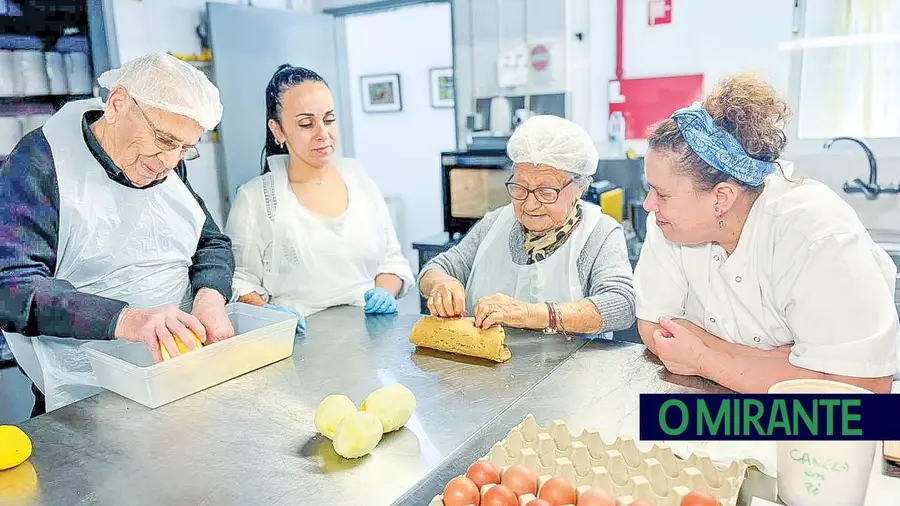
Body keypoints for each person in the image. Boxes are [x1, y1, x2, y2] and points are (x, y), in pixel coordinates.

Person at [0, 52, 236, 415]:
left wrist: (210, 295)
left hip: (178, 377)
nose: (169, 163)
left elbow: (210, 242)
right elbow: (12, 288)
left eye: (186, 149)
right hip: (87, 396)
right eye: (163, 138)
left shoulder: (162, 163)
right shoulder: (41, 166)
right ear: (117, 104)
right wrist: (127, 319)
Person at [634, 73, 899, 394]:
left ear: (721, 198)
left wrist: (703, 358)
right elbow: (654, 327)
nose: (650, 205)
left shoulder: (815, 235)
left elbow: (863, 388)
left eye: (661, 194)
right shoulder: (670, 225)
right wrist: (788, 365)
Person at [224, 65, 414, 326]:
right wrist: (269, 314)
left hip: (370, 342)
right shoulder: (255, 199)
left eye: (329, 119)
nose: (322, 134)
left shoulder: (361, 185)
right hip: (297, 343)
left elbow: (391, 261)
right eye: (306, 124)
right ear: (278, 130)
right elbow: (240, 283)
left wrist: (384, 291)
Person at [418, 115, 636, 336]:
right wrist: (441, 285)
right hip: (488, 368)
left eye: (546, 192)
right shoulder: (495, 224)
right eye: (520, 188)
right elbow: (435, 268)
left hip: (572, 368)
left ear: (579, 188)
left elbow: (621, 304)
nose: (530, 204)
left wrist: (529, 314)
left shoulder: (599, 233)